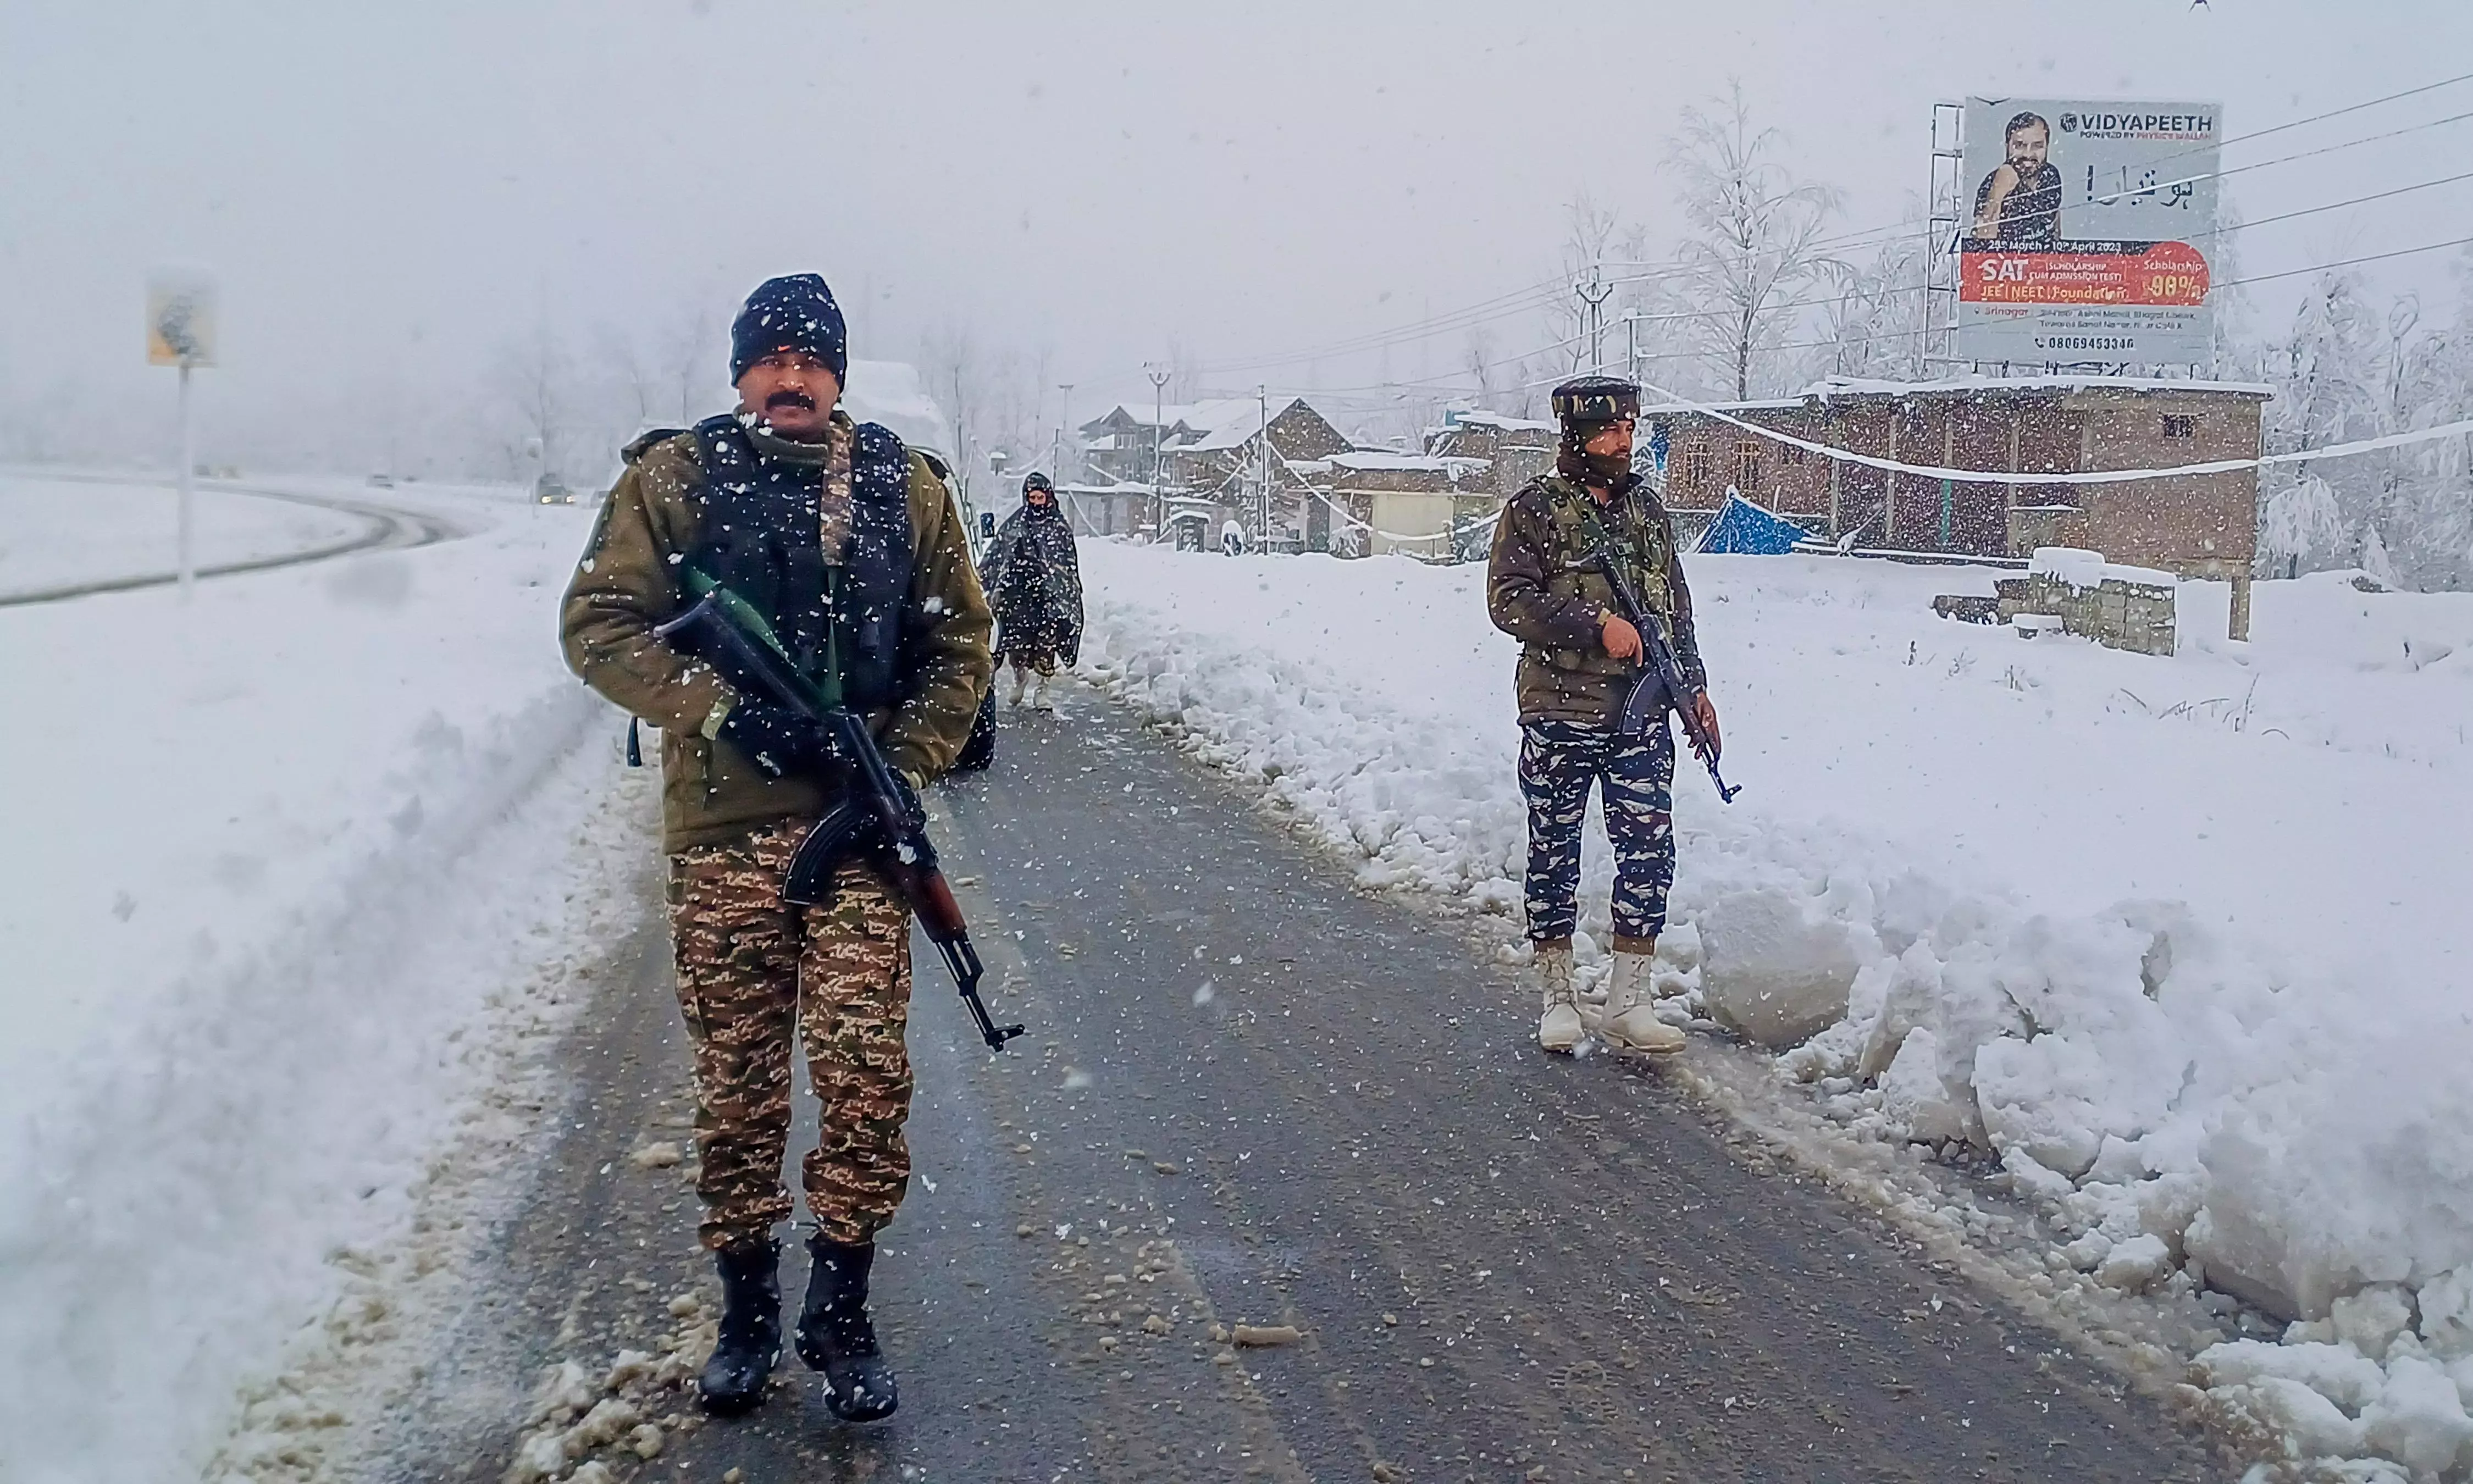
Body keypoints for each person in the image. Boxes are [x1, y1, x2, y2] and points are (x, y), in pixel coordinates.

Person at [559, 273, 992, 1422]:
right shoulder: (676, 479)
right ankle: (747, 1306)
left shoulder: (906, 491)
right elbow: (595, 628)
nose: (790, 376)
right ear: (740, 369)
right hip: (722, 834)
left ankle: (838, 1305)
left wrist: (903, 762)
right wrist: (717, 705)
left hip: (858, 835)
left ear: (838, 375)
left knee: (861, 1078)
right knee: (739, 1084)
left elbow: (961, 645)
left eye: (812, 358)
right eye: (770, 357)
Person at [1486, 375, 1717, 1057]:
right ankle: (1558, 994)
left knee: (1648, 850)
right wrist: (1594, 624)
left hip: (1638, 714)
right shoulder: (1534, 510)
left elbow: (1674, 608)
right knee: (1553, 849)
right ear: (1577, 437)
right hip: (1559, 710)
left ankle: (1628, 997)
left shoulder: (1646, 512)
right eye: (1611, 429)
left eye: (1629, 428)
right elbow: (1507, 599)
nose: (1624, 441)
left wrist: (1695, 689)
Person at [976, 470, 1084, 710]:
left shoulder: (1058, 527)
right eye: (1032, 498)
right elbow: (998, 552)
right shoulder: (1017, 523)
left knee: (1047, 644)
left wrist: (1062, 589)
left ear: (1048, 497)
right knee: (1017, 645)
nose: (1036, 503)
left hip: (1047, 598)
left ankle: (1043, 689)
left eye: (1040, 498)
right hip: (1019, 596)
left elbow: (1066, 564)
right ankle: (1020, 678)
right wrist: (984, 578)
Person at [1969, 110, 2063, 247]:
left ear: (2047, 146)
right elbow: (1981, 246)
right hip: (2007, 264)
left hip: (2042, 264)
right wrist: (1998, 193)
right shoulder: (1993, 183)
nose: (2028, 154)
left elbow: (2055, 220)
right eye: (2020, 145)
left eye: (2038, 146)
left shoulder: (2051, 175)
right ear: (2007, 146)